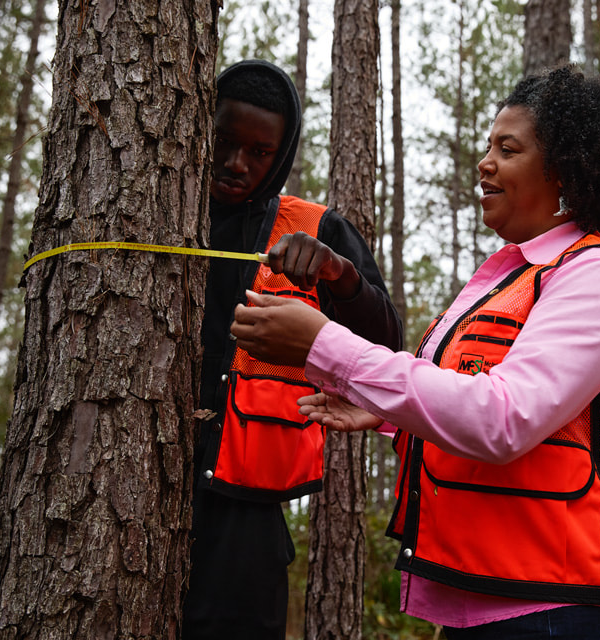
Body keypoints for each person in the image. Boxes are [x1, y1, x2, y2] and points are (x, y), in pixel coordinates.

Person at [231, 64, 600, 638]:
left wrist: (323, 345)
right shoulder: (508, 278)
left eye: (507, 149)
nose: (484, 163)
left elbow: (502, 419)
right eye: (488, 146)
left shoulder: (599, 279)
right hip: (493, 596)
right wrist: (389, 415)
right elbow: (480, 403)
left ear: (564, 171)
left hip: (568, 609)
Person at [181, 60, 403, 639]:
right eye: (224, 142)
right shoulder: (159, 211)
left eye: (259, 152)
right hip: (130, 484)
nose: (237, 164)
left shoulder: (314, 229)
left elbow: (386, 346)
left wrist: (340, 276)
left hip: (244, 517)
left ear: (281, 154)